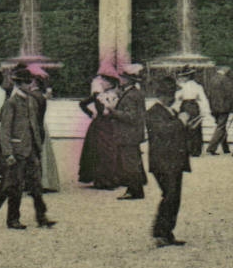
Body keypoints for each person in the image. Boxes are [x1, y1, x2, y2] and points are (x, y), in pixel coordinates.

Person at [0, 66, 54, 230]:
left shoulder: (31, 101)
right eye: (26, 83)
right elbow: (5, 129)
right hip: (18, 149)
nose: (30, 85)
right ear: (19, 84)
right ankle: (13, 219)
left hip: (32, 149)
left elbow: (35, 124)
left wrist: (38, 144)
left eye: (30, 82)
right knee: (16, 186)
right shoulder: (11, 103)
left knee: (36, 185)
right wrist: (8, 152)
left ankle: (41, 217)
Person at [144, 74, 189, 248]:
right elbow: (163, 132)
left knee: (174, 197)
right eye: (171, 95)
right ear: (164, 96)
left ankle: (167, 232)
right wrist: (180, 122)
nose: (174, 98)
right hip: (163, 161)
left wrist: (186, 125)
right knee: (170, 195)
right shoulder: (153, 112)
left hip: (173, 160)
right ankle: (159, 232)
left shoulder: (170, 111)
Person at [110, 65, 148, 199]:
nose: (120, 79)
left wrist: (112, 111)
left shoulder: (131, 95)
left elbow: (130, 116)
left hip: (128, 134)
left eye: (122, 77)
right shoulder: (135, 93)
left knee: (129, 163)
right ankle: (134, 189)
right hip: (133, 134)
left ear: (128, 80)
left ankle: (135, 191)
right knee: (132, 162)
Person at [77, 72, 120, 187]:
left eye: (105, 81)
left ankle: (112, 178)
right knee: (98, 151)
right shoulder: (98, 95)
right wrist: (91, 114)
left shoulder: (117, 96)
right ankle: (100, 179)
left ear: (111, 84)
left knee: (110, 151)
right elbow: (82, 104)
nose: (102, 83)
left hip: (112, 125)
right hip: (99, 126)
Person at [174, 68, 208, 158]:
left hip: (185, 106)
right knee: (195, 127)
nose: (182, 78)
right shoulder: (198, 86)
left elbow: (177, 97)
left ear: (187, 77)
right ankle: (196, 150)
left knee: (185, 127)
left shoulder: (182, 87)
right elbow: (203, 98)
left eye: (183, 77)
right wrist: (204, 110)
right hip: (194, 106)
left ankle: (186, 149)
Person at [203, 66, 233, 155]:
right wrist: (232, 106)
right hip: (223, 107)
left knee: (221, 127)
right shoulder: (225, 80)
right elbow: (229, 94)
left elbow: (208, 94)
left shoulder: (212, 79)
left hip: (214, 107)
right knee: (221, 127)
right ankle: (211, 148)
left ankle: (226, 148)